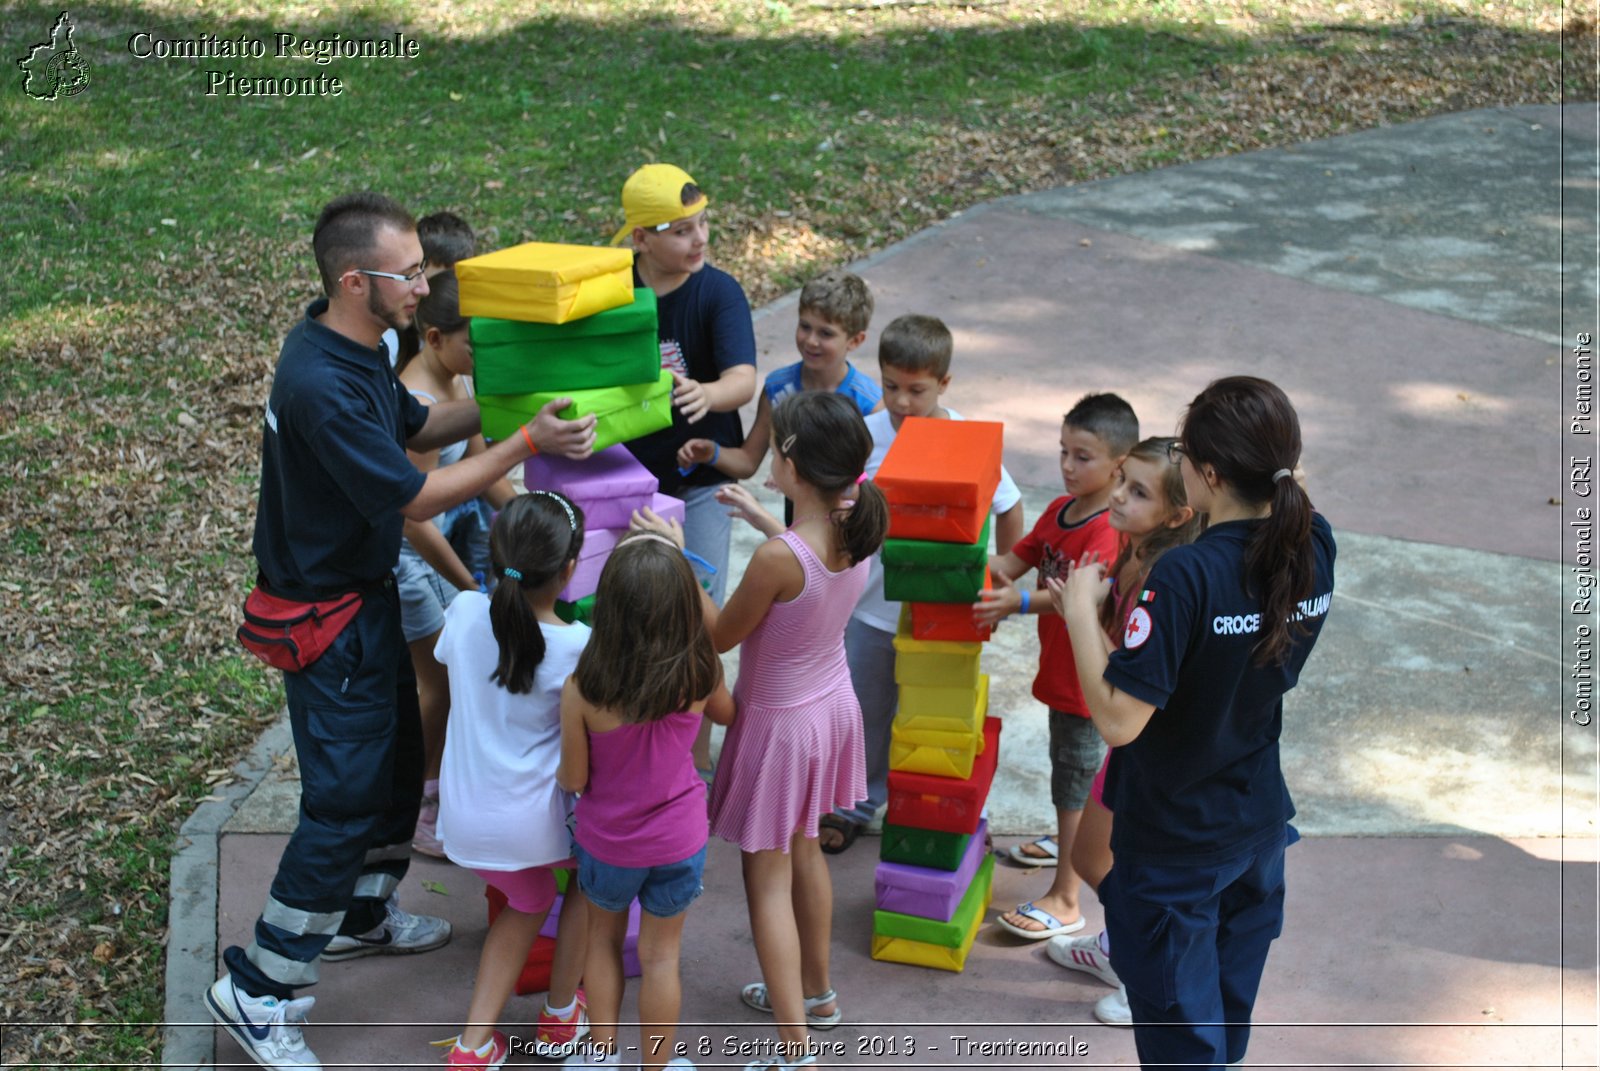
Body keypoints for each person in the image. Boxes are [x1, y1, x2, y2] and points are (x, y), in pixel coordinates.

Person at [208, 192, 595, 1071]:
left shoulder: (363, 343)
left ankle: (360, 914)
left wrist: (511, 408)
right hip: (327, 618)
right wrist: (528, 439)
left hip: (364, 592)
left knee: (391, 772)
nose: (427, 286)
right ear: (356, 280)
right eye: (412, 272)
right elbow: (416, 494)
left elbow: (419, 427)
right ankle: (260, 986)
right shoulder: (317, 385)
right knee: (342, 802)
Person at [1052, 376, 1335, 1069]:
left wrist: (1082, 614)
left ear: (1208, 474)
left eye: (1184, 453)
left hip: (1177, 847)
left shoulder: (1185, 576)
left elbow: (1118, 721)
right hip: (1257, 826)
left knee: (1183, 1049)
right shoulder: (1314, 541)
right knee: (1220, 1035)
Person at [698, 391, 889, 1070]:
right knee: (805, 848)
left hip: (781, 725)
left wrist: (683, 562)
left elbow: (721, 634)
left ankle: (794, 1051)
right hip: (829, 707)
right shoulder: (857, 521)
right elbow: (802, 574)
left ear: (795, 464)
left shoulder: (780, 558)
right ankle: (820, 994)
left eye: (776, 445)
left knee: (766, 878)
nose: (768, 454)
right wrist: (761, 521)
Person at [813, 313, 1024, 853]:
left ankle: (923, 807)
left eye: (917, 390)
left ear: (944, 384)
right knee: (866, 708)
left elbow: (1010, 503)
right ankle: (856, 803)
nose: (902, 402)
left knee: (932, 714)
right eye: (890, 387)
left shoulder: (966, 439)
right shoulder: (867, 434)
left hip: (946, 612)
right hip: (870, 606)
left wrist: (1003, 567)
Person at [557, 533, 735, 1071]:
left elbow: (575, 778)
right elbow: (728, 714)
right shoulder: (701, 671)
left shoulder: (583, 688)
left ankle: (601, 1057)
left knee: (604, 943)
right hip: (680, 840)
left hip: (609, 844)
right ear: (684, 607)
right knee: (661, 959)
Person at [1040, 437, 1200, 1028]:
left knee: (1114, 863)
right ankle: (1120, 948)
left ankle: (1148, 970)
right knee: (1091, 855)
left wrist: (1081, 616)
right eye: (1121, 481)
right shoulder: (1132, 552)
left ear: (1178, 515)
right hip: (1130, 746)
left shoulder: (1162, 575)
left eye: (1137, 491)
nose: (1117, 496)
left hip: (1147, 748)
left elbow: (1124, 684)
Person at [432, 492, 595, 1070]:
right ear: (571, 569)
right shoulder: (578, 647)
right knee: (585, 879)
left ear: (495, 560)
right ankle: (554, 1018)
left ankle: (478, 1045)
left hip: (461, 819)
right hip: (531, 827)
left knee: (526, 892)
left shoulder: (467, 614)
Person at [608, 162, 757, 777]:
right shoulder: (612, 286)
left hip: (698, 489)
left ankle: (689, 769)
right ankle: (623, 743)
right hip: (623, 478)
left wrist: (709, 396)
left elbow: (743, 379)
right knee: (621, 611)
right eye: (680, 230)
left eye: (703, 224)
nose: (699, 240)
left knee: (695, 613)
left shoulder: (717, 291)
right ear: (640, 238)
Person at [975, 393, 1138, 940]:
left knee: (1076, 781)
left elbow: (1083, 595)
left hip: (1084, 684)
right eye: (1063, 451)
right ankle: (1065, 842)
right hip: (1061, 673)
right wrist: (958, 562)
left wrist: (1019, 603)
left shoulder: (1107, 531)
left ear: (1121, 463)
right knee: (1070, 774)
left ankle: (1067, 897)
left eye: (1083, 456)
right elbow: (1010, 563)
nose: (1068, 465)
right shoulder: (1058, 512)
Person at [394, 271, 515, 857]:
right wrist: (467, 586)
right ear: (435, 337)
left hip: (441, 542)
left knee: (457, 676)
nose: (482, 356)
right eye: (474, 343)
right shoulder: (417, 401)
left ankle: (442, 784)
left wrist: (541, 516)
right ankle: (417, 801)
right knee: (438, 682)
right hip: (409, 556)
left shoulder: (456, 377)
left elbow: (481, 464)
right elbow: (413, 517)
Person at [677, 269, 879, 525]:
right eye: (805, 326)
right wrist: (711, 453)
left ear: (856, 340)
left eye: (826, 333)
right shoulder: (778, 388)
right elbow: (748, 461)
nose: (811, 341)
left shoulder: (869, 404)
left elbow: (873, 482)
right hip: (795, 519)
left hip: (849, 523)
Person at [391, 210, 478, 367]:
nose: (448, 293)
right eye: (437, 284)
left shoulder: (476, 329)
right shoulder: (391, 346)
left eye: (457, 283)